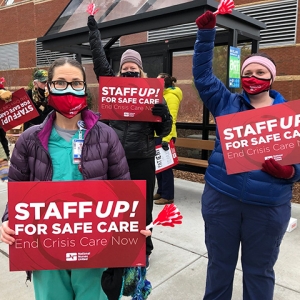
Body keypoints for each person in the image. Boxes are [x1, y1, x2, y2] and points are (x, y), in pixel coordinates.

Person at [0, 57, 150, 300]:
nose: (69, 89)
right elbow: (18, 188)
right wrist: (8, 221)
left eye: (76, 83)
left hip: (95, 248)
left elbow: (124, 189)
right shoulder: (29, 139)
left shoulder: (107, 136)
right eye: (60, 83)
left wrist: (133, 226)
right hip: (44, 248)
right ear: (47, 87)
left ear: (84, 88)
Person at [193, 11, 300, 300]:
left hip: (267, 209)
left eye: (260, 73)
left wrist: (290, 173)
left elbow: (299, 164)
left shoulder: (287, 116)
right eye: (248, 73)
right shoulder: (225, 101)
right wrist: (206, 36)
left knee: (259, 271)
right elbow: (203, 76)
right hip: (221, 200)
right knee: (219, 266)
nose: (253, 78)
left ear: (271, 78)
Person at [87, 15, 172, 269]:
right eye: (125, 68)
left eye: (133, 67)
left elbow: (164, 129)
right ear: (120, 69)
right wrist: (94, 32)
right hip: (114, 159)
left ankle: (144, 247)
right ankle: (118, 244)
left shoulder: (153, 94)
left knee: (143, 208)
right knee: (114, 207)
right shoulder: (112, 90)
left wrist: (162, 114)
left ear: (140, 69)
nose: (129, 70)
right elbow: (100, 64)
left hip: (142, 159)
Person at [154, 73, 183, 205]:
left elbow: (172, 119)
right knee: (159, 166)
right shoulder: (163, 95)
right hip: (157, 135)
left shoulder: (171, 96)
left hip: (166, 137)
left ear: (163, 83)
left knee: (165, 167)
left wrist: (166, 138)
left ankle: (168, 195)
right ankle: (161, 191)